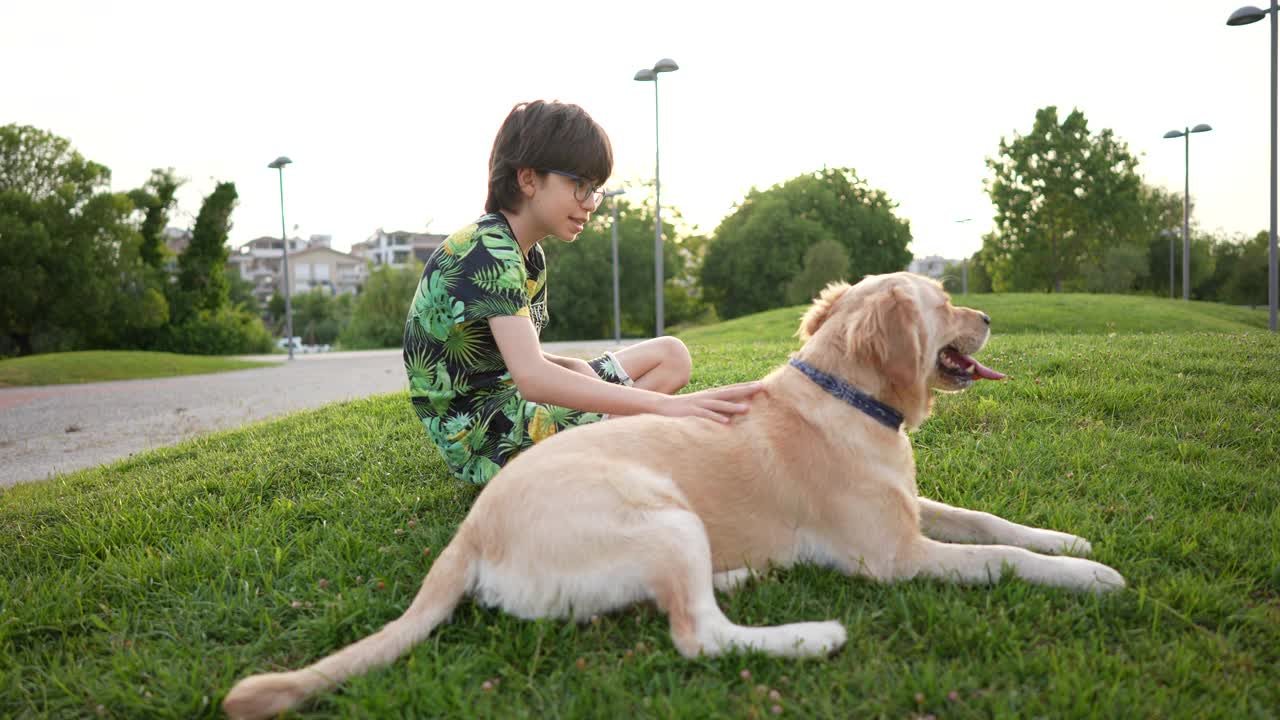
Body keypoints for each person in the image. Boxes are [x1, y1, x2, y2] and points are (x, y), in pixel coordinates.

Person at [403, 100, 761, 485]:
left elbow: (521, 358)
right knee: (662, 420)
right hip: (486, 436)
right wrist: (663, 405)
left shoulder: (529, 255)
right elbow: (532, 378)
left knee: (672, 355)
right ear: (528, 179)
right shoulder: (486, 248)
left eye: (596, 190)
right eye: (580, 186)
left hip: (517, 400)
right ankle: (615, 439)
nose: (591, 204)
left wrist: (581, 372)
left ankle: (611, 435)